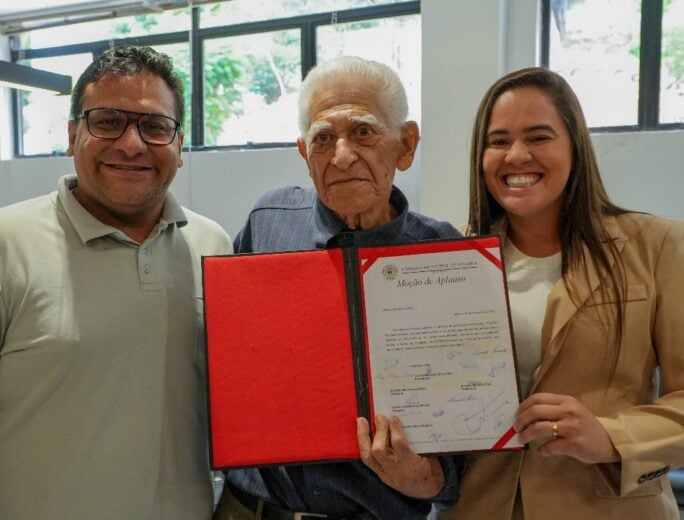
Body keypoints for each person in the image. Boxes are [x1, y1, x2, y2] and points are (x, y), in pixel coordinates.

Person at [0, 46, 232, 519]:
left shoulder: (211, 246)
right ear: (73, 134)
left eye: (155, 127)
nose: (132, 143)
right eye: (107, 122)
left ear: (179, 148)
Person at [213, 56, 462, 520]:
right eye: (323, 138)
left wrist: (429, 479)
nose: (342, 156)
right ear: (305, 155)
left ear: (405, 145)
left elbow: (470, 408)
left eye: (363, 132)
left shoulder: (444, 256)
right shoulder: (268, 224)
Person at [438, 67, 684, 519]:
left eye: (539, 136)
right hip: (479, 507)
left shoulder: (658, 246)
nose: (516, 155)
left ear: (575, 145)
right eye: (498, 141)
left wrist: (611, 435)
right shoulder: (447, 259)